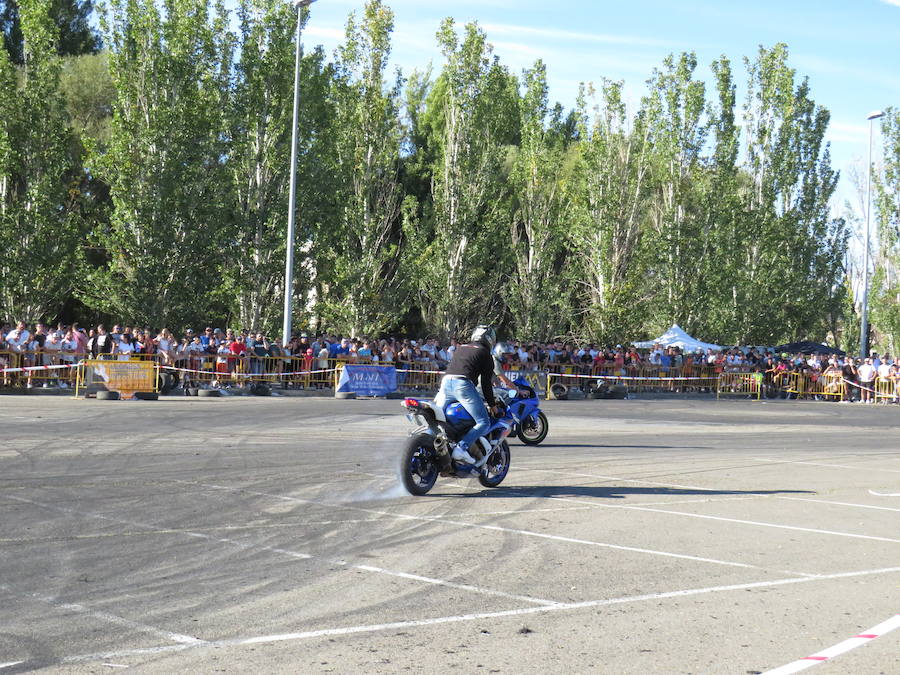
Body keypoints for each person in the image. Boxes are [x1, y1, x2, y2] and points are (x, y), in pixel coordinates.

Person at [434, 325, 499, 465]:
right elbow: (486, 384)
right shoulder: (485, 354)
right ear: (489, 339)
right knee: (484, 422)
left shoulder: (461, 348)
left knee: (437, 417)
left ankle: (434, 441)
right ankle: (461, 448)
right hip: (462, 385)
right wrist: (493, 406)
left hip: (445, 383)